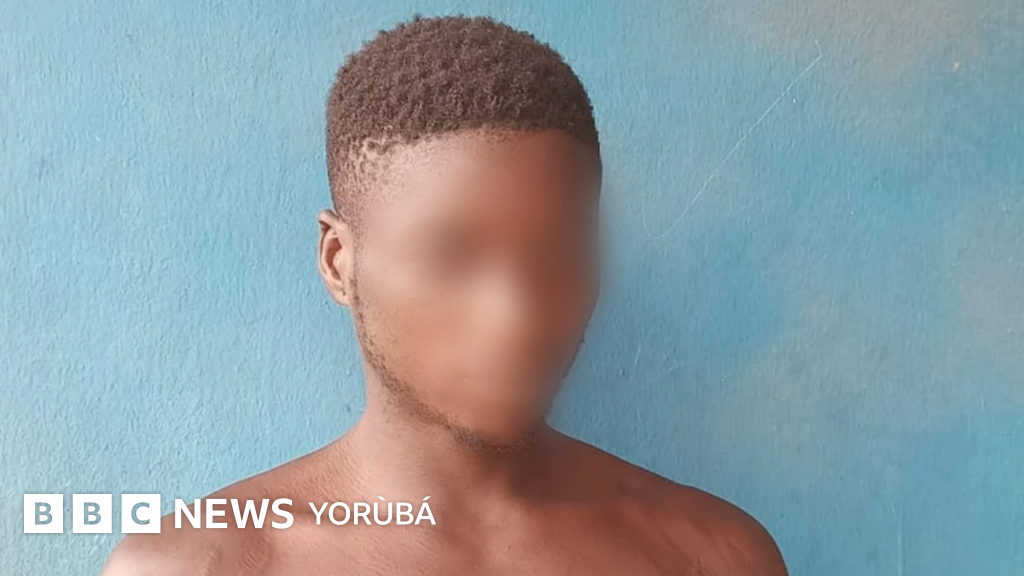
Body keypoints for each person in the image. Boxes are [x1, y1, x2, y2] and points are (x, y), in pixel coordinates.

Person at [103, 15, 787, 575]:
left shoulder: (714, 556)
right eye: (450, 258)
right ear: (339, 262)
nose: (515, 316)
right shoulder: (198, 565)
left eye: (558, 256)